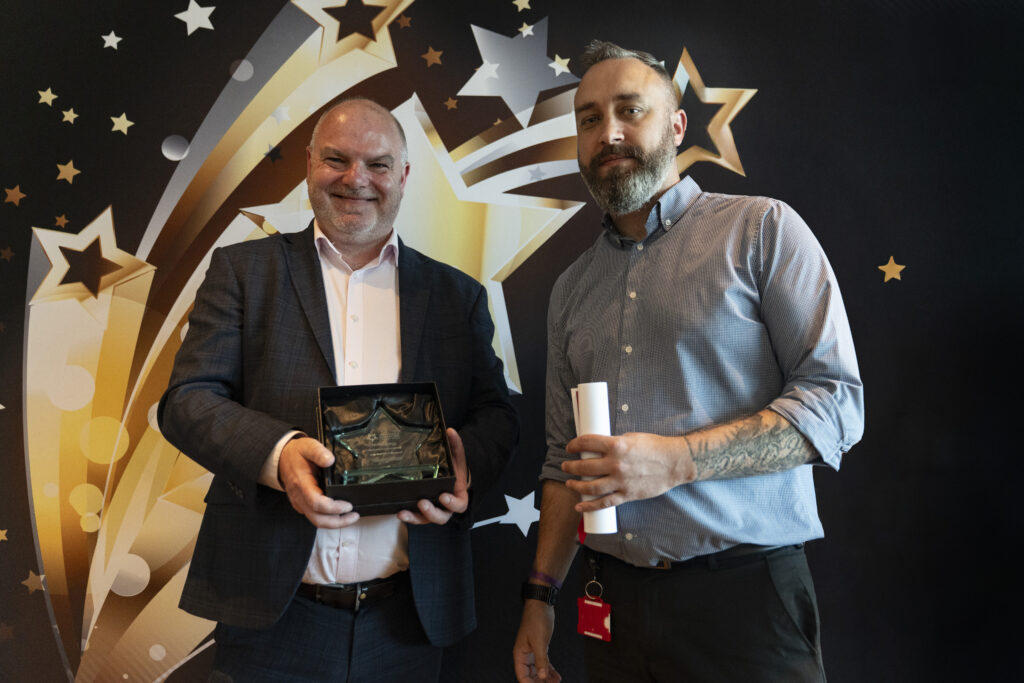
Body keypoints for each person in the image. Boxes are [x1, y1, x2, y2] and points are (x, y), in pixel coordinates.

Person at [512, 40, 864, 683]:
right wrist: (541, 596)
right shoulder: (570, 289)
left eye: (629, 110)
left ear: (676, 126)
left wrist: (678, 461)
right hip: (611, 608)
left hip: (745, 604)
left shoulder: (762, 230)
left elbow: (836, 404)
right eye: (589, 119)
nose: (608, 132)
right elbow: (564, 464)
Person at [159, 97, 518, 682]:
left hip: (410, 619)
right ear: (308, 165)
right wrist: (280, 456)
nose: (356, 179)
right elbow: (187, 401)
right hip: (272, 615)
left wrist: (464, 463)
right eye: (336, 159)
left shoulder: (457, 295)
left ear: (403, 177)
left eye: (378, 164)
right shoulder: (243, 272)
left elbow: (496, 415)